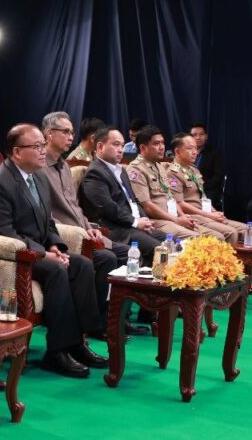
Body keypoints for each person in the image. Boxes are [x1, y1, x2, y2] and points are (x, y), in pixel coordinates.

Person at [0, 124, 107, 377]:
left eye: (42, 145)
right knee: (57, 270)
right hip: (11, 255)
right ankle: (57, 352)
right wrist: (44, 254)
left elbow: (48, 222)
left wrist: (55, 245)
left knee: (83, 264)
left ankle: (78, 343)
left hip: (37, 249)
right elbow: (3, 232)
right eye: (36, 146)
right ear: (17, 152)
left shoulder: (38, 176)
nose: (42, 151)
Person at [39, 111, 129, 328]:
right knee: (107, 258)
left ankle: (115, 317)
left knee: (127, 253)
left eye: (72, 132)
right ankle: (97, 321)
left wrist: (90, 226)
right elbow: (45, 214)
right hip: (65, 235)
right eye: (66, 132)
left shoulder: (64, 166)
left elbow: (75, 207)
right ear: (49, 134)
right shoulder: (39, 167)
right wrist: (80, 231)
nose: (71, 137)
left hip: (83, 230)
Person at [79, 126, 165, 262]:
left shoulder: (121, 171)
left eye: (122, 145)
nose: (121, 150)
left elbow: (134, 200)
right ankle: (149, 276)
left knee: (172, 241)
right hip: (116, 229)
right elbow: (107, 207)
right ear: (100, 147)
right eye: (116, 144)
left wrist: (145, 220)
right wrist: (135, 222)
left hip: (132, 225)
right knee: (158, 249)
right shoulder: (95, 173)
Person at [126, 126, 206, 239]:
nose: (162, 147)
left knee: (213, 235)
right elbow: (147, 206)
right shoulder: (136, 170)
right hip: (156, 221)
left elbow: (170, 197)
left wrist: (183, 216)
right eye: (156, 144)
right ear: (143, 148)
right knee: (198, 238)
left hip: (172, 217)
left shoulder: (159, 166)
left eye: (162, 143)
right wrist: (176, 219)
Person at [166, 133, 248, 243]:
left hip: (204, 212)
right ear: (177, 152)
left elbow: (202, 196)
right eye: (190, 148)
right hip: (193, 215)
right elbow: (179, 204)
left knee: (246, 229)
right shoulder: (173, 173)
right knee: (230, 232)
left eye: (195, 148)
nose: (195, 152)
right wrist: (210, 215)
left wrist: (214, 212)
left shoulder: (193, 169)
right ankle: (225, 255)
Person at [189, 123, 225, 209]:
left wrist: (202, 186)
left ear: (206, 136)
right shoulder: (185, 152)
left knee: (206, 204)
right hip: (189, 188)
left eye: (201, 134)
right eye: (194, 135)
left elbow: (218, 176)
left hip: (208, 189)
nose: (198, 137)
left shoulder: (214, 153)